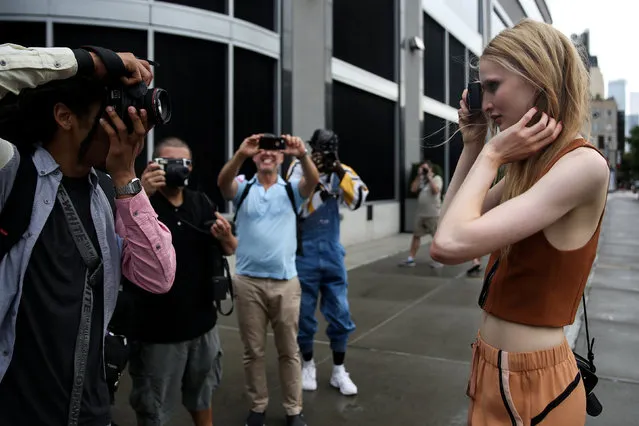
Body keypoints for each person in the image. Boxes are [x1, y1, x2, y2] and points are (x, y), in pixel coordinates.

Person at [429, 19, 609, 426]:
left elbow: (448, 245)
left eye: (493, 86)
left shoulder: (582, 165)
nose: (485, 103)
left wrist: (491, 155)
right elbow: (448, 233)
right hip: (493, 367)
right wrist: (474, 146)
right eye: (481, 89)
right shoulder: (529, 169)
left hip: (534, 380)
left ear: (538, 79)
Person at [0, 44, 176, 425]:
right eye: (111, 115)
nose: (126, 128)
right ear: (64, 116)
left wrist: (127, 178)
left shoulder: (109, 194)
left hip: (91, 411)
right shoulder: (12, 172)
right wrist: (92, 61)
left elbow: (158, 277)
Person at [127, 137, 235, 426]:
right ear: (153, 165)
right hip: (157, 332)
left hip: (203, 325)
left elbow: (230, 247)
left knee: (203, 394)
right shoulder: (140, 204)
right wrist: (140, 193)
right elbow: (118, 245)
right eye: (169, 162)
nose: (178, 169)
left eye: (183, 163)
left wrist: (225, 237)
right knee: (154, 408)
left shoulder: (201, 202)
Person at [217, 133, 319, 426]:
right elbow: (223, 184)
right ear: (255, 156)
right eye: (261, 151)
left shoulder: (291, 191)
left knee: (289, 350)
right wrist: (240, 154)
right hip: (248, 283)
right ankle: (258, 406)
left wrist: (302, 154)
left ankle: (293, 410)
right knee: (253, 352)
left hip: (286, 283)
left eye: (273, 151)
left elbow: (311, 182)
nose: (267, 155)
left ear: (281, 157)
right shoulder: (243, 188)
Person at [285, 129, 369, 396]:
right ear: (311, 148)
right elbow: (294, 205)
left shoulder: (342, 170)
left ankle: (338, 370)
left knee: (340, 313)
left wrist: (338, 172)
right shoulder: (299, 168)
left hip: (332, 252)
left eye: (327, 150)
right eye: (318, 150)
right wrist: (316, 175)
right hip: (304, 252)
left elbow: (359, 199)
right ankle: (307, 364)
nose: (322, 155)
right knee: (303, 314)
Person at [399, 160, 443, 268]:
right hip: (421, 213)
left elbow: (435, 191)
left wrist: (429, 177)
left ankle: (439, 260)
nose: (423, 170)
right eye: (422, 168)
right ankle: (410, 259)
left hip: (433, 214)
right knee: (416, 236)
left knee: (436, 238)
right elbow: (413, 189)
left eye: (425, 168)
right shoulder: (421, 180)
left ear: (430, 169)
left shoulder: (437, 179)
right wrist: (419, 177)